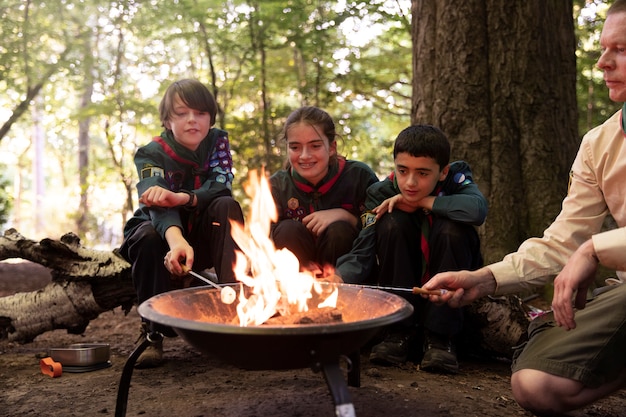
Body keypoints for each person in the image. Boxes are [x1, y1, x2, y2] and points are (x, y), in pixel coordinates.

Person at [422, 1, 626, 414]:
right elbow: (563, 242)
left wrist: (595, 250)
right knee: (534, 384)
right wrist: (483, 279)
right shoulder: (600, 144)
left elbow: (586, 247)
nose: (604, 62)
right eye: (604, 48)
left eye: (621, 49)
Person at [336, 124, 487, 374]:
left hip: (450, 269)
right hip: (403, 270)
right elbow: (363, 248)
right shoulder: (380, 193)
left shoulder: (456, 179)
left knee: (452, 228)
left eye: (423, 173)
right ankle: (397, 330)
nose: (410, 182)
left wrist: (423, 202)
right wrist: (339, 277)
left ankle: (441, 337)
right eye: (402, 170)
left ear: (442, 172)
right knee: (391, 223)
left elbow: (476, 210)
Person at [119, 79, 244, 368]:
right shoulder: (151, 153)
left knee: (227, 206)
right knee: (149, 236)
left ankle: (235, 311)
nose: (192, 120)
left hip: (203, 234)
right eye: (182, 113)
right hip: (161, 236)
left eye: (200, 113)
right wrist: (176, 241)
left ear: (211, 118)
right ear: (167, 119)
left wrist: (182, 198)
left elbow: (220, 186)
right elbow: (156, 203)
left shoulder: (217, 142)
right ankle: (151, 333)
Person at [269, 106, 379, 272]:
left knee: (339, 230)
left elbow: (375, 231)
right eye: (295, 147)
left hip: (348, 278)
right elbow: (263, 242)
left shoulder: (359, 177)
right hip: (294, 281)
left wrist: (347, 217)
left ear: (332, 147)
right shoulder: (277, 186)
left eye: (315, 146)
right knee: (287, 229)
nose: (305, 155)